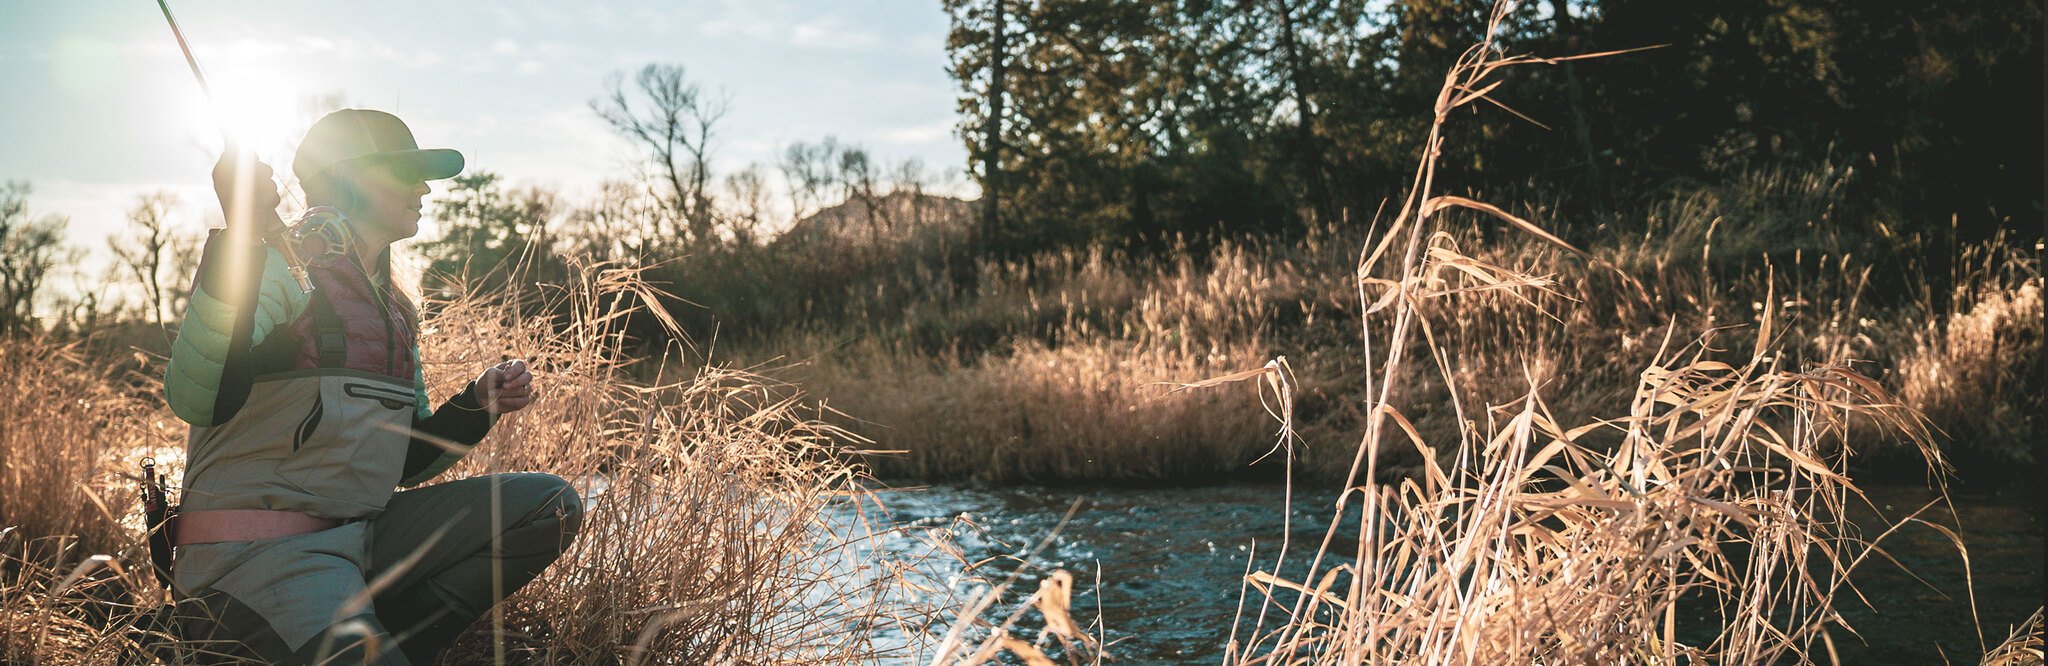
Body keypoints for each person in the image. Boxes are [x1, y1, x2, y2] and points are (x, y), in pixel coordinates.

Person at [162, 109, 582, 665]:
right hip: (254, 560)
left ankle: (386, 646)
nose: (424, 187)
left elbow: (401, 460)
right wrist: (241, 234)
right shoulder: (279, 269)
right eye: (405, 173)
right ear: (351, 179)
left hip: (358, 546)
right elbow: (199, 397)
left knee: (549, 504)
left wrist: (477, 404)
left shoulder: (393, 311)